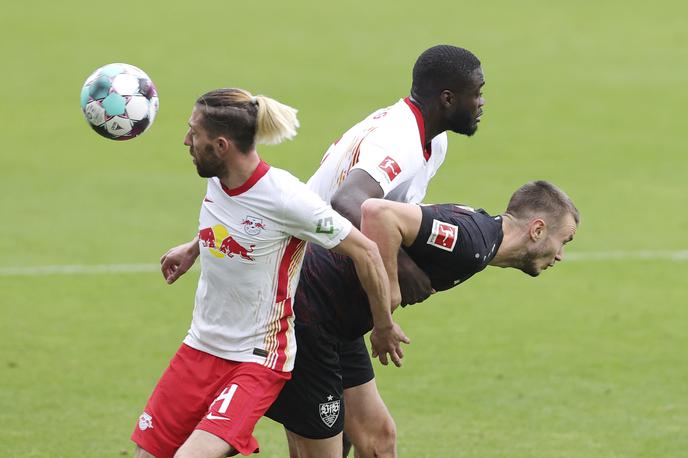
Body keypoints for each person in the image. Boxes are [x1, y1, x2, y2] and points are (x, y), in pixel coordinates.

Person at [131, 88, 406, 458]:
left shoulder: (286, 198)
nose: (187, 140)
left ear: (223, 145)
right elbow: (237, 221)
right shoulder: (217, 177)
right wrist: (194, 246)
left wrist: (383, 323)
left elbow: (367, 251)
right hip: (200, 346)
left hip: (256, 358)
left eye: (194, 133)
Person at [265, 181, 580, 457]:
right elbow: (378, 212)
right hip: (308, 313)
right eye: (563, 241)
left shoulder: (479, 241)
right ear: (537, 230)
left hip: (337, 323)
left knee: (379, 439)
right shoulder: (470, 241)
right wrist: (384, 314)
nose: (561, 256)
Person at [293, 44, 486, 457]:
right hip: (301, 292)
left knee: (374, 439)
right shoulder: (400, 140)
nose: (482, 102)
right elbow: (347, 202)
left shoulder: (429, 139)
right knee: (321, 443)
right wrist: (401, 265)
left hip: (328, 297)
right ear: (448, 99)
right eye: (478, 92)